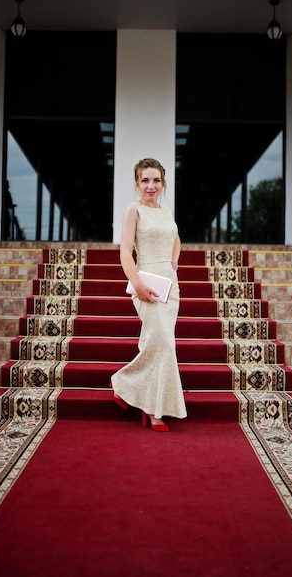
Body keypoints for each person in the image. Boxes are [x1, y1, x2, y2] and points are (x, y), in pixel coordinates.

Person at [110, 158, 187, 431]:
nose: (151, 185)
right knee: (163, 342)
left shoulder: (166, 211)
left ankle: (138, 396)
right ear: (137, 183)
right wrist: (138, 284)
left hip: (169, 285)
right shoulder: (133, 210)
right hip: (146, 282)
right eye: (145, 180)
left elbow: (176, 238)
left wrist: (174, 261)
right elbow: (124, 253)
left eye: (156, 180)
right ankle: (139, 396)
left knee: (159, 343)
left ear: (163, 183)